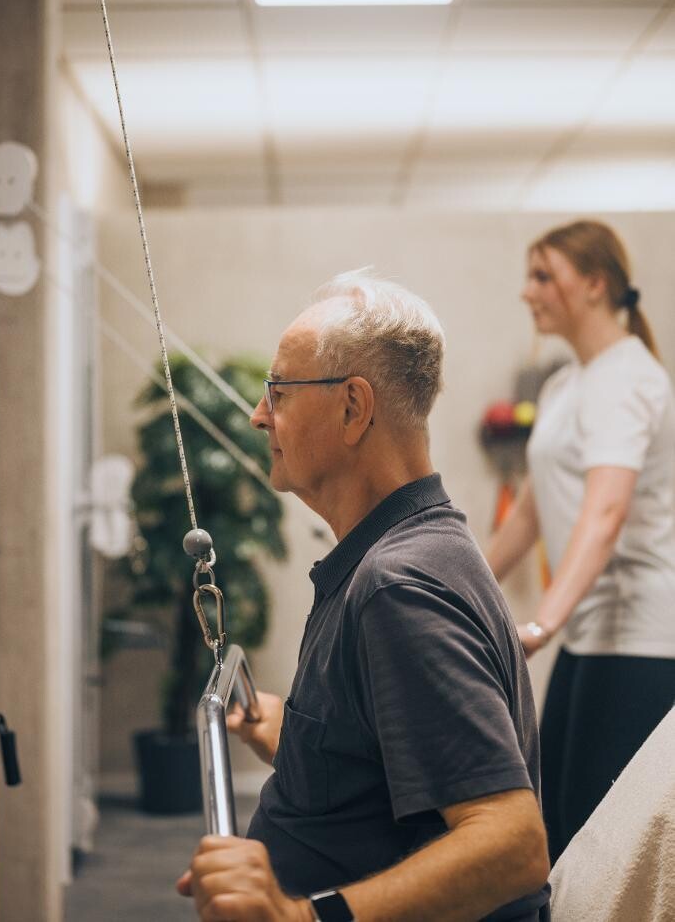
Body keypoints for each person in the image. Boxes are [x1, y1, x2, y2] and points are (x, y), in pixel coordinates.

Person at [178, 268, 550, 922]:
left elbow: (511, 844)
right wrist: (302, 738)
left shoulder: (399, 586)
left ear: (353, 406)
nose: (258, 414)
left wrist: (303, 917)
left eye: (279, 390)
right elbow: (388, 761)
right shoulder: (412, 550)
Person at [486, 219, 675, 864]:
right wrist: (458, 589)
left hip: (640, 639)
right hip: (590, 636)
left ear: (595, 285)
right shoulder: (568, 383)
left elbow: (606, 513)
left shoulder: (627, 377)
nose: (527, 292)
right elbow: (529, 517)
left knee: (606, 850)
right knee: (560, 825)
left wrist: (538, 626)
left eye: (543, 275)